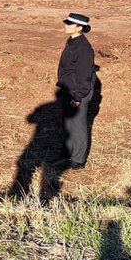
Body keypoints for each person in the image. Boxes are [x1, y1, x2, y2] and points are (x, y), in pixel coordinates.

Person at [57, 12, 97, 170]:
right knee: (68, 124)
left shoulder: (84, 48)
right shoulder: (72, 41)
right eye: (66, 22)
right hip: (69, 90)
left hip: (78, 92)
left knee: (78, 126)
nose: (66, 25)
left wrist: (78, 96)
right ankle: (67, 154)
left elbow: (83, 74)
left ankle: (78, 161)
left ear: (80, 28)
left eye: (70, 24)